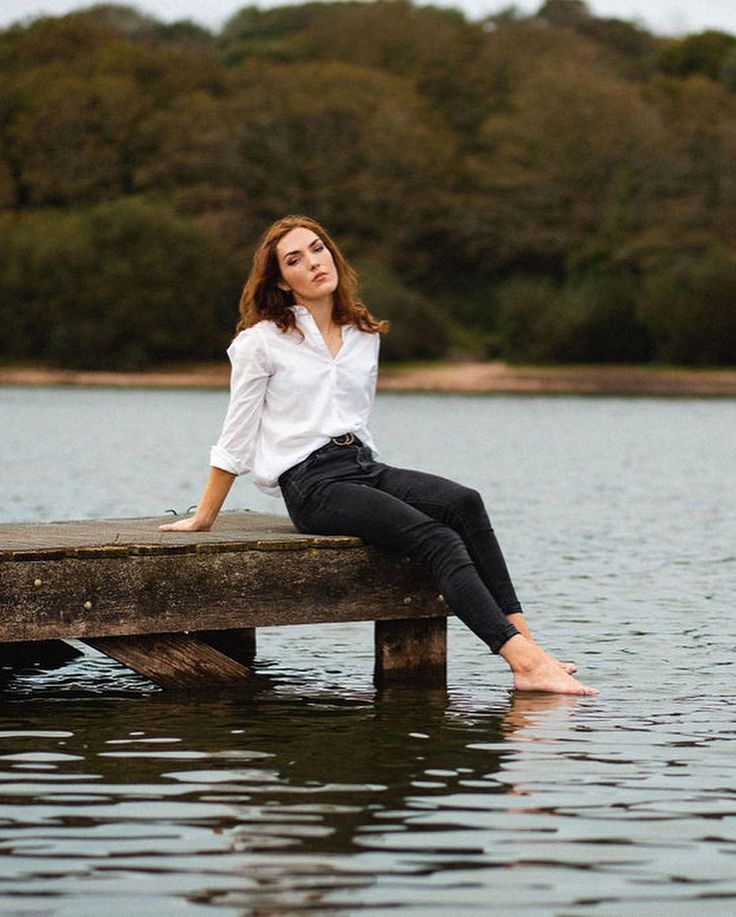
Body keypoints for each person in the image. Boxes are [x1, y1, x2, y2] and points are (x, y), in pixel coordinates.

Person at [160, 215, 598, 696]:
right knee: (437, 539)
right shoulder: (260, 342)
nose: (312, 262)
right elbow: (236, 434)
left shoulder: (362, 333)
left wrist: (378, 484)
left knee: (464, 502)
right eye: (294, 260)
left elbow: (356, 419)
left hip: (362, 465)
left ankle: (531, 647)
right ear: (282, 281)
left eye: (317, 248)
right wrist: (204, 517)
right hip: (312, 484)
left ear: (333, 255)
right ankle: (522, 664)